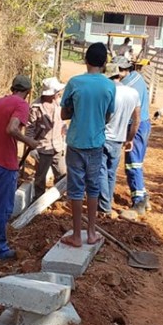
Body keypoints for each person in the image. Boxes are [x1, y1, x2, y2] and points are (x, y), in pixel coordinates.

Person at [60, 43, 116, 247]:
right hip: (96, 143)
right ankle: (91, 233)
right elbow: (108, 116)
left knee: (75, 189)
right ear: (104, 63)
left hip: (76, 142)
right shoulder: (109, 86)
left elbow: (64, 114)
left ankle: (76, 235)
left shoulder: (75, 83)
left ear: (85, 60)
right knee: (93, 187)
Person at [0, 75, 39, 259]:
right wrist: (29, 141)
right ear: (28, 92)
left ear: (12, 87)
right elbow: (12, 129)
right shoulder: (21, 105)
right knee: (4, 207)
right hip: (5, 162)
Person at [99, 63, 141, 216]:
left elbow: (102, 116)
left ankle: (104, 207)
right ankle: (107, 202)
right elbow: (136, 119)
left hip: (104, 137)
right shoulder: (133, 93)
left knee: (101, 172)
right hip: (119, 139)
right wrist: (130, 139)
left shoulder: (107, 92)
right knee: (111, 173)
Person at [115, 56, 152, 215]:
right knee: (137, 163)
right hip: (145, 123)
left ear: (122, 70)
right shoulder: (138, 76)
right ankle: (143, 195)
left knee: (132, 164)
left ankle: (138, 202)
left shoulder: (126, 86)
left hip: (135, 127)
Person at [25, 77, 68, 199]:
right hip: (43, 148)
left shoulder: (59, 104)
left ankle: (59, 198)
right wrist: (32, 147)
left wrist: (64, 135)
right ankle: (39, 200)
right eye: (56, 91)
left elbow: (63, 122)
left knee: (61, 174)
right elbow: (30, 128)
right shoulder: (36, 107)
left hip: (57, 146)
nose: (59, 93)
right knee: (40, 177)